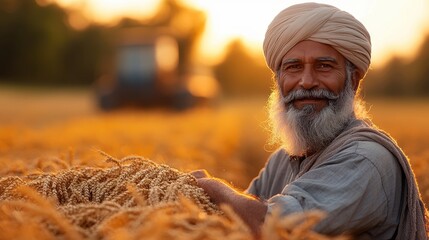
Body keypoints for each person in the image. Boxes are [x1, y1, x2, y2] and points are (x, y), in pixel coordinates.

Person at [191, 2, 429, 239]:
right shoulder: (283, 160)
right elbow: (233, 220)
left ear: (353, 81)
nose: (306, 81)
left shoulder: (365, 158)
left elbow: (270, 227)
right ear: (278, 81)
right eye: (293, 67)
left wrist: (213, 186)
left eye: (323, 66)